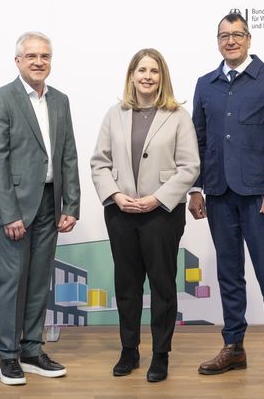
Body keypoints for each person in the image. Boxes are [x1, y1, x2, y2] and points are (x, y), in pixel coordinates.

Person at [189, 11, 264, 386]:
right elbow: (197, 141)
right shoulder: (206, 84)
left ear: (249, 39)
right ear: (217, 41)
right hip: (218, 193)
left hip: (260, 196)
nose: (230, 40)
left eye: (237, 34)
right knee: (228, 274)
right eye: (224, 35)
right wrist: (196, 187)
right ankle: (233, 346)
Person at [90, 48, 199, 382]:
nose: (147, 76)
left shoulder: (177, 115)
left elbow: (189, 166)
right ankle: (129, 350)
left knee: (163, 286)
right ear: (131, 76)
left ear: (161, 76)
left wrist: (157, 199)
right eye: (141, 70)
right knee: (126, 285)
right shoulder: (115, 114)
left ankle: (161, 355)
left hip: (161, 214)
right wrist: (116, 196)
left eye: (154, 71)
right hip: (122, 213)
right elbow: (99, 162)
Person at [0, 31, 80, 386]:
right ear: (18, 61)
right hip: (15, 207)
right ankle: (8, 356)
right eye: (32, 56)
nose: (39, 62)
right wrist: (10, 213)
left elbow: (68, 153)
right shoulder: (2, 99)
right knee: (12, 282)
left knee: (40, 279)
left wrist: (71, 203)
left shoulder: (60, 100)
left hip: (50, 204)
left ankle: (32, 349)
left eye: (45, 56)